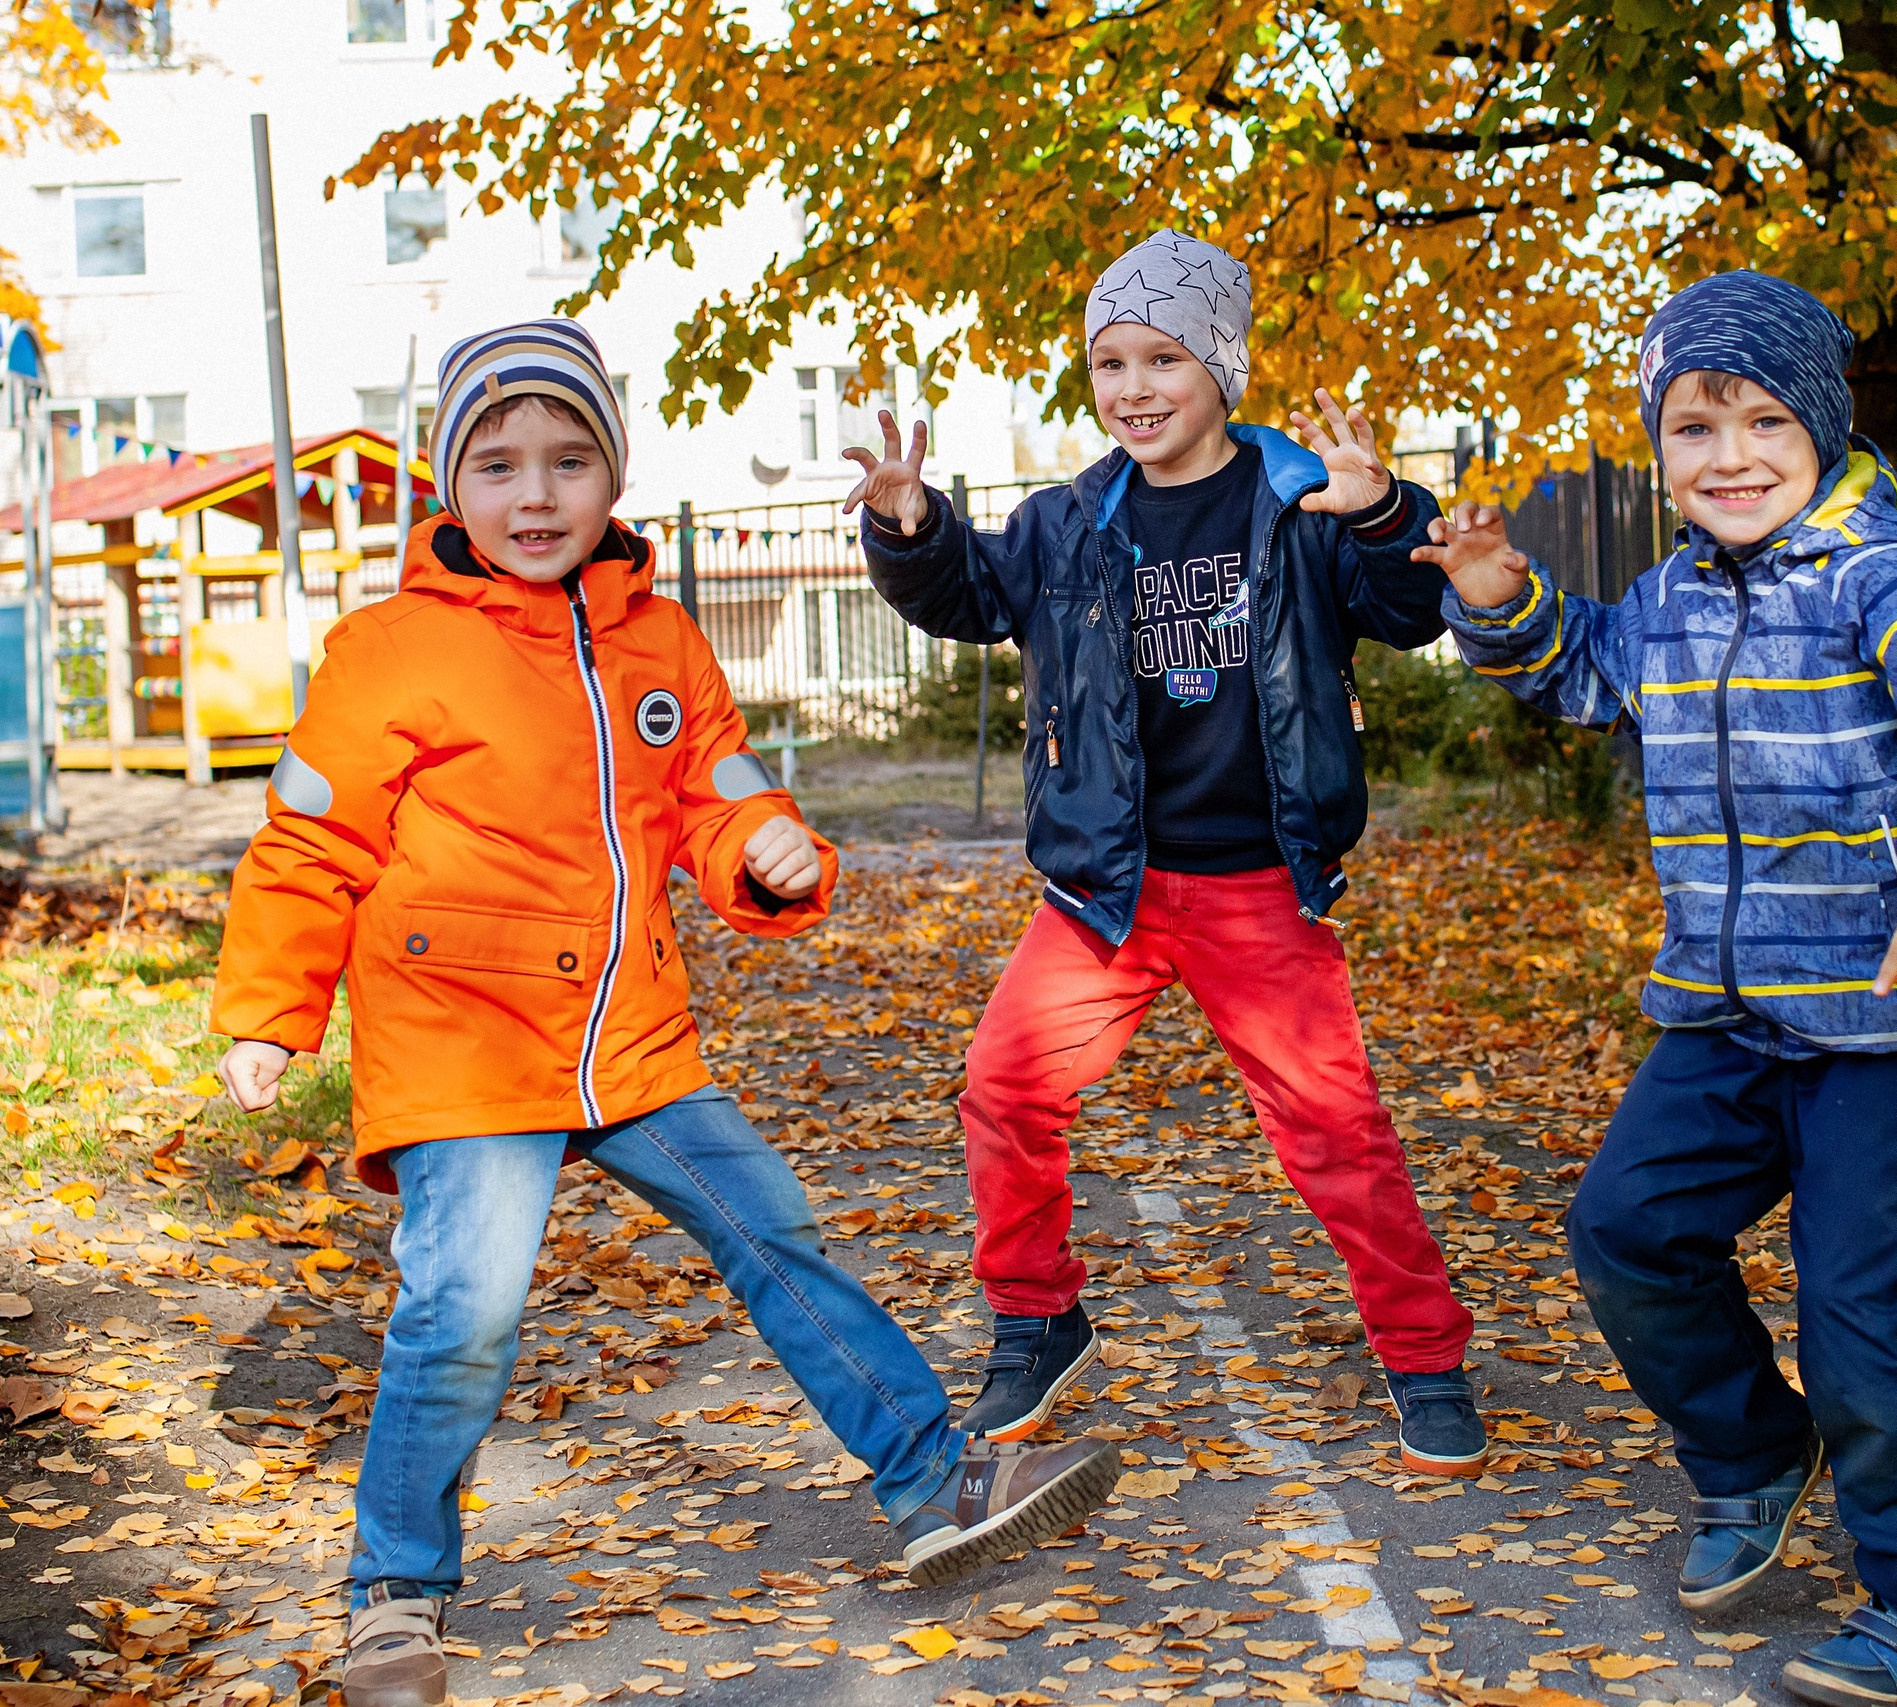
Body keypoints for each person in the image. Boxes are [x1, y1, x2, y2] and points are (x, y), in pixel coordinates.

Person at [210, 320, 1118, 1707]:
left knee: (776, 1231)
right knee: (463, 1309)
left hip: (631, 1041)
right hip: (463, 1044)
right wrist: (273, 1009)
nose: (535, 495)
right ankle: (396, 1593)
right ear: (448, 478)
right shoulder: (387, 651)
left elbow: (714, 784)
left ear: (611, 474)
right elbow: (309, 843)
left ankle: (939, 1480)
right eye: (498, 463)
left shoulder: (659, 634)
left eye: (570, 461)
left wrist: (768, 844)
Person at [1419, 273, 1897, 1707]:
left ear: (1826, 427)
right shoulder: (1673, 596)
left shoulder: (1876, 581)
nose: (1728, 455)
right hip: (1726, 1018)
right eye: (1693, 426)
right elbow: (1587, 668)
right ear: (1660, 448)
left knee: (1868, 1321)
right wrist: (1497, 597)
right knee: (1626, 1229)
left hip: (1894, 1033)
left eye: (1764, 420)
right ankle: (1755, 1454)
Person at [847, 230, 1485, 1475]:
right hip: (1108, 888)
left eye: (1163, 358)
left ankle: (1423, 1356)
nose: (1133, 387)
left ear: (1221, 367)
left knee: (1335, 1134)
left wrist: (1385, 517)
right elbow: (971, 596)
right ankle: (1038, 1321)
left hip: (1258, 884)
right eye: (1109, 363)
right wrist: (914, 527)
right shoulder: (1069, 519)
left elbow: (1406, 613)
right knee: (1003, 1086)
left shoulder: (1298, 505)